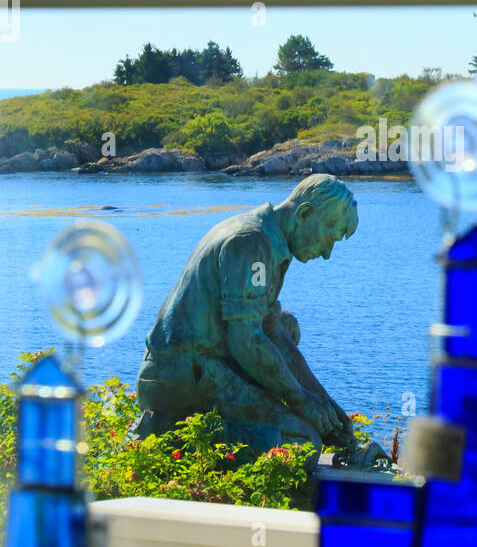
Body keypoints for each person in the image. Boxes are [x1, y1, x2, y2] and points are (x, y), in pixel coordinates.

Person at [132, 174, 389, 469]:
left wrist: (323, 404)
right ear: (304, 214)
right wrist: (299, 399)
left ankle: (216, 428)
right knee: (301, 445)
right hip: (181, 375)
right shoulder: (250, 244)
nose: (328, 254)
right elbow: (245, 340)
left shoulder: (271, 240)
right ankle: (173, 436)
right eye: (329, 237)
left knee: (286, 324)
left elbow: (273, 331)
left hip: (204, 364)